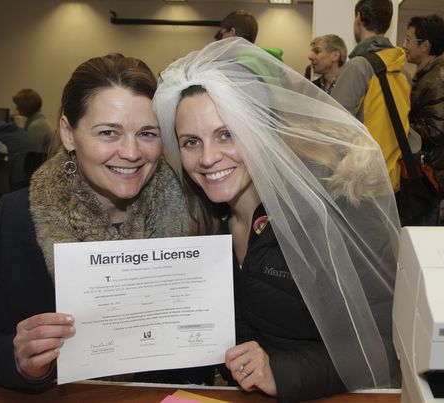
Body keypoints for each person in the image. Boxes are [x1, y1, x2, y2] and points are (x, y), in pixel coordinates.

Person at [153, 37, 400, 402]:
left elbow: (384, 344)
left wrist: (280, 371)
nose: (208, 158)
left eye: (226, 134)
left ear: (259, 130)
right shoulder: (198, 220)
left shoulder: (331, 212)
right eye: (191, 141)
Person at [0, 53, 212, 389]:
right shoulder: (14, 219)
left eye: (147, 133)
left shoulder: (196, 211)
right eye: (108, 133)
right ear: (69, 134)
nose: (131, 152)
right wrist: (22, 362)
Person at [330, 0, 413, 220]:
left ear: (358, 18)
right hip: (389, 183)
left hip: (358, 187)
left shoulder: (359, 67)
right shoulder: (402, 72)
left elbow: (333, 128)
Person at [404, 14, 444, 224]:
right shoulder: (429, 76)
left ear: (425, 45)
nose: (405, 45)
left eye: (409, 39)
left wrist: (402, 126)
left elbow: (438, 131)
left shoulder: (436, 81)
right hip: (428, 176)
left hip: (429, 180)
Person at [214, 10, 283, 61]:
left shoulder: (238, 65)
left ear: (232, 32)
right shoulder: (270, 59)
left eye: (222, 33)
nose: (221, 40)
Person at [12, 88, 54, 154]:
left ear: (25, 107)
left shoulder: (37, 126)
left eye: (18, 106)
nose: (16, 108)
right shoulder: (40, 121)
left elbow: (28, 153)